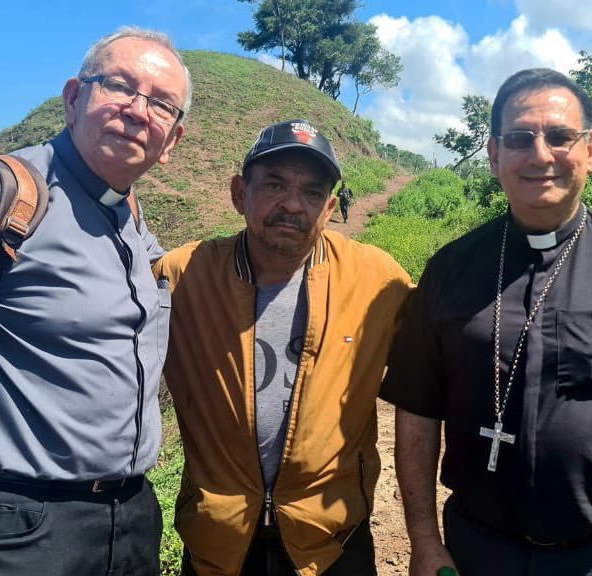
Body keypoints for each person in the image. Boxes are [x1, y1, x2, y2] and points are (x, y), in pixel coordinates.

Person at [0, 26, 191, 576]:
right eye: (119, 86)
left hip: (129, 522)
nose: (139, 111)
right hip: (17, 531)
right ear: (73, 98)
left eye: (161, 104)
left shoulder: (134, 224)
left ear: (173, 142)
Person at [381, 68, 592, 576]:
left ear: (591, 149)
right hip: (478, 550)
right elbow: (417, 413)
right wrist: (424, 542)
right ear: (494, 155)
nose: (541, 155)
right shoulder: (450, 269)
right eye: (520, 138)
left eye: (560, 137)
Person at [154, 119, 412, 576]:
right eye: (274, 185)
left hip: (331, 540)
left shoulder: (377, 279)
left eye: (313, 193)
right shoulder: (182, 277)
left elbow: (440, 364)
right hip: (220, 540)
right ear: (240, 192)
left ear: (330, 207)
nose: (293, 204)